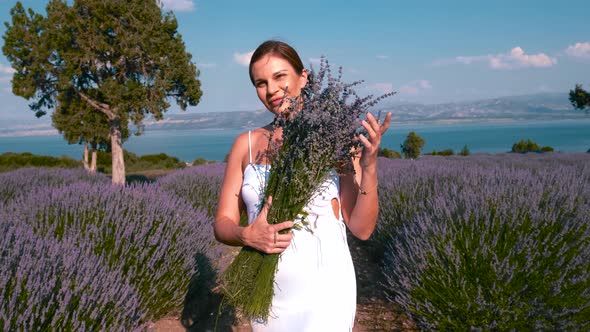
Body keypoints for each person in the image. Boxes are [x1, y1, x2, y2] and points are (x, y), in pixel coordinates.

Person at [214, 40, 392, 331]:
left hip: (326, 293)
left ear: (303, 76)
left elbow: (362, 228)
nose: (271, 90)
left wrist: (369, 166)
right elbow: (222, 223)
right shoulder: (244, 145)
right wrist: (246, 236)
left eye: (280, 76)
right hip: (266, 293)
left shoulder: (337, 142)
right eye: (261, 83)